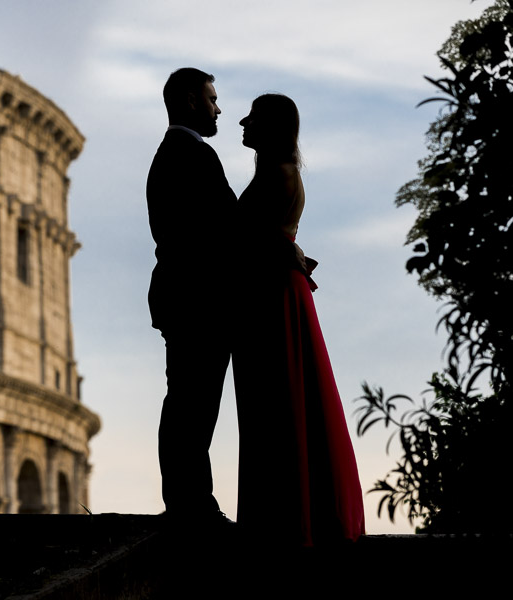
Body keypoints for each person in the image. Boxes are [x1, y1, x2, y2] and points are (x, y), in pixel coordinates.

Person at [233, 93, 365, 545]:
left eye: (253, 116)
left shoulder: (279, 174)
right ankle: (295, 513)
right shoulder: (282, 173)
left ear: (270, 126)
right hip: (276, 291)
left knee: (280, 401)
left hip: (273, 295)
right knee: (285, 399)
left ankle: (288, 519)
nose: (242, 122)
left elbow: (251, 242)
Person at [147, 68, 236, 525]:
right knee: (192, 404)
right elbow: (229, 228)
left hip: (184, 297)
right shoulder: (193, 155)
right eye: (212, 98)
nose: (219, 108)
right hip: (197, 301)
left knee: (188, 401)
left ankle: (189, 500)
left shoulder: (173, 154)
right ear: (189, 100)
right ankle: (192, 504)